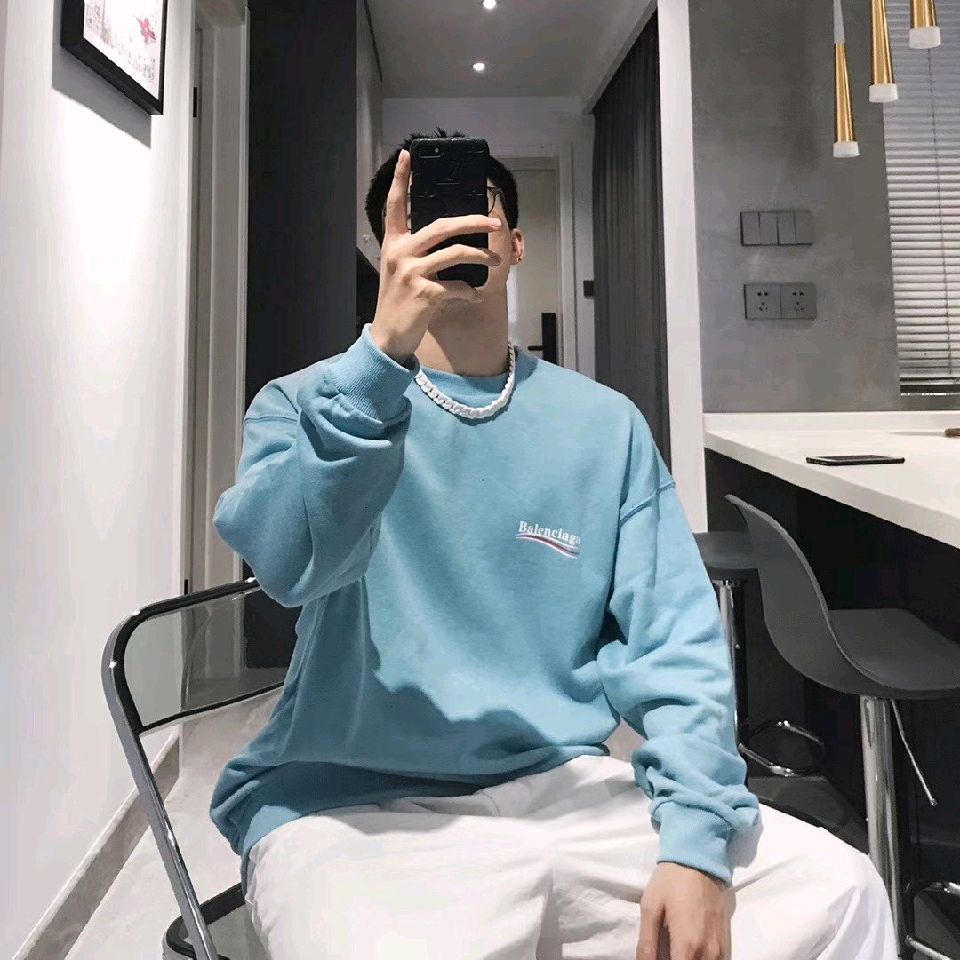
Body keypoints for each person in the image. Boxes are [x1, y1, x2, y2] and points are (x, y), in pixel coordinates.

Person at [209, 127, 899, 959]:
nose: (453, 233)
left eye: (477, 213)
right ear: (387, 249)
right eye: (423, 220)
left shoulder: (603, 425)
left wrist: (695, 838)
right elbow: (291, 569)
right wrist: (379, 361)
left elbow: (675, 642)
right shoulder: (310, 403)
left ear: (515, 244)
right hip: (353, 802)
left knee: (842, 891)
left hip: (566, 788)